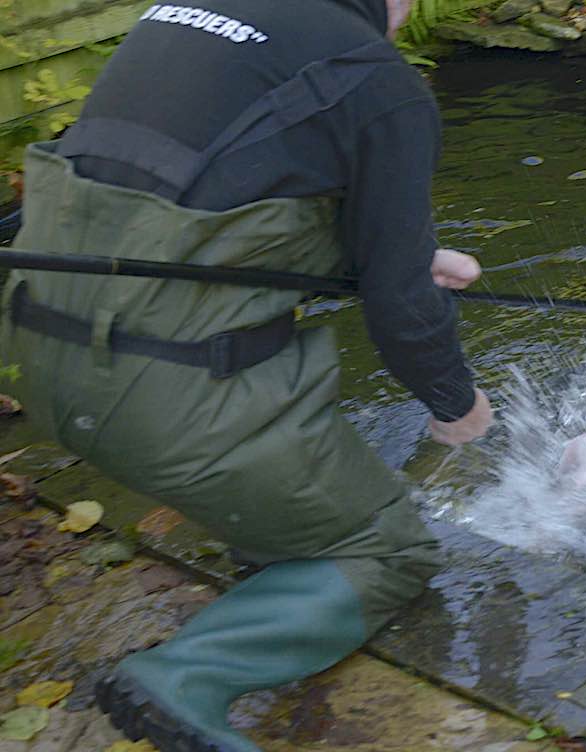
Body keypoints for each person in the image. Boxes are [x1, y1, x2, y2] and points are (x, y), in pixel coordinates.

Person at [0, 1, 493, 749]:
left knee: (280, 465)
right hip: (161, 401)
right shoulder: (375, 77)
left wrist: (398, 258)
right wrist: (456, 403)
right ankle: (186, 676)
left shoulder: (184, 14)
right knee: (388, 547)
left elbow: (201, 206)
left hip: (37, 354)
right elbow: (401, 314)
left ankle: (276, 546)